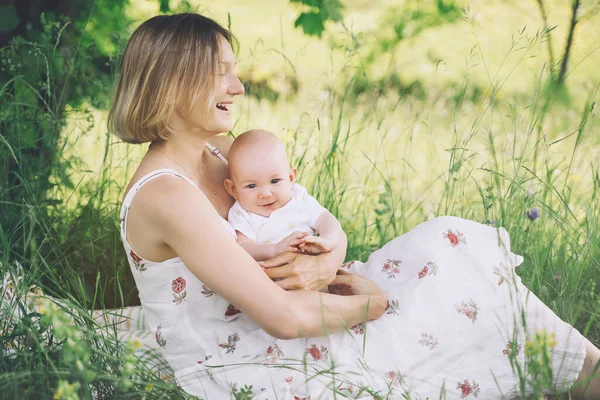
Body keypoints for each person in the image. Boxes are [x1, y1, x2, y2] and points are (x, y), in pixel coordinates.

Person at [108, 13, 600, 399]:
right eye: (221, 75)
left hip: (286, 319)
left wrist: (328, 251)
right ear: (172, 83)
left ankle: (581, 373)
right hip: (246, 361)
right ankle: (580, 376)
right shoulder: (166, 193)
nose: (238, 87)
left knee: (451, 248)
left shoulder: (218, 154)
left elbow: (307, 213)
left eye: (235, 73)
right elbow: (280, 316)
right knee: (435, 305)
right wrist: (373, 304)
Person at [224, 129, 344, 262]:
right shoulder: (242, 214)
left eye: (274, 181)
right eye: (251, 186)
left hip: (315, 265)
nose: (265, 194)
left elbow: (326, 219)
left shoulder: (298, 198)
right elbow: (244, 247)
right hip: (275, 279)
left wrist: (327, 240)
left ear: (291, 177)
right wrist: (275, 249)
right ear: (233, 190)